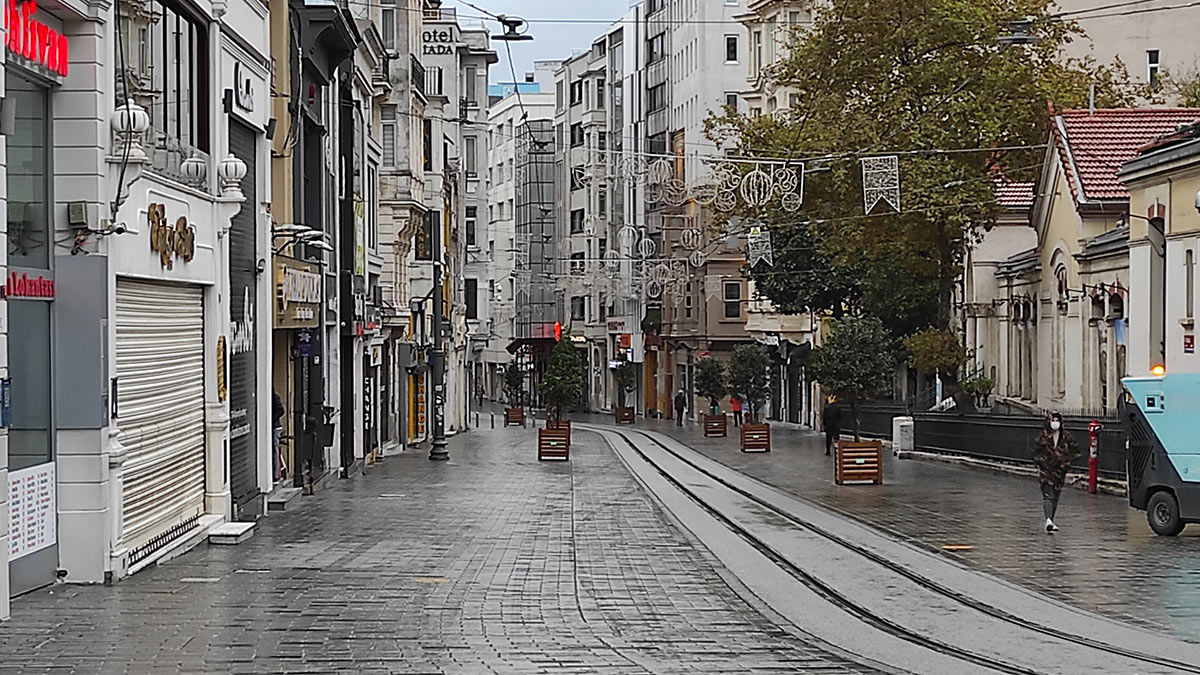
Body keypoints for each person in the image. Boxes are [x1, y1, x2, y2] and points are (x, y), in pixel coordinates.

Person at [1033, 411, 1079, 533]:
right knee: (1048, 494)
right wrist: (1042, 464)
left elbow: (1074, 451)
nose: (1055, 423)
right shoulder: (1043, 437)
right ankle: (1048, 519)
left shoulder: (1065, 437)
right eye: (1053, 420)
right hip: (1047, 470)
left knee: (1055, 495)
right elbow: (1036, 452)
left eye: (1057, 420)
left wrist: (1066, 463)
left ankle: (1050, 520)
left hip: (1059, 471)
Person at [272, 389, 286, 481]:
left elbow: (281, 410)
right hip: (274, 426)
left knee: (275, 449)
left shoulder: (274, 397)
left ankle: (277, 474)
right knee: (274, 449)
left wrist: (273, 419)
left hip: (275, 427)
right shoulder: (273, 396)